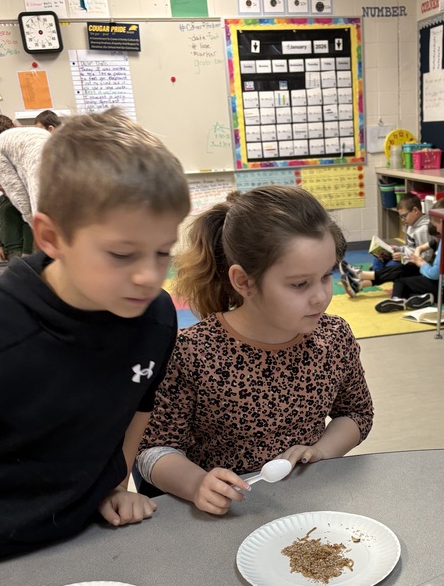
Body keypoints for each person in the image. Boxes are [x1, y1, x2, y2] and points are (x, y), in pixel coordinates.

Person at [0, 108, 191, 569]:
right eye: (121, 253)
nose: (149, 276)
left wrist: (116, 483)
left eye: (163, 251)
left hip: (93, 537)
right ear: (51, 237)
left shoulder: (158, 317)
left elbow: (139, 406)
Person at [136, 185, 374, 516]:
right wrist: (195, 483)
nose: (321, 296)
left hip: (308, 506)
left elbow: (356, 413)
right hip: (225, 517)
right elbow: (149, 450)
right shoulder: (191, 353)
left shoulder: (333, 337)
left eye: (326, 275)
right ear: (244, 282)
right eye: (298, 284)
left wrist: (322, 451)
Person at [374, 200, 444, 313]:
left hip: (443, 289)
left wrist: (421, 262)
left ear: (442, 221)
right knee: (410, 282)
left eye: (436, 226)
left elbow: (434, 274)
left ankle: (396, 300)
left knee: (400, 282)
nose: (436, 229)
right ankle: (426, 298)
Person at [339, 193, 430, 297]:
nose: (402, 220)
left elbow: (426, 257)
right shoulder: (411, 225)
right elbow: (411, 247)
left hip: (419, 266)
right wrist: (398, 248)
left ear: (415, 211)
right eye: (400, 216)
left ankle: (362, 277)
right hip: (409, 259)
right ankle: (359, 283)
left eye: (404, 216)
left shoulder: (424, 229)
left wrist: (404, 258)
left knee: (394, 267)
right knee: (380, 255)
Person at [0, 115, 52, 224]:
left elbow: (16, 191)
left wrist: (31, 221)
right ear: (13, 123)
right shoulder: (38, 132)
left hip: (42, 191)